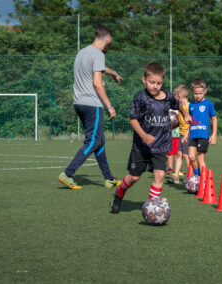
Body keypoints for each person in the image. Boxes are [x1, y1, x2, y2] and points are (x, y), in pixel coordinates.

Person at [111, 62, 191, 213]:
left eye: (159, 83)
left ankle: (151, 207)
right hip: (141, 146)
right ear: (144, 80)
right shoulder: (140, 98)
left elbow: (178, 104)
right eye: (151, 82)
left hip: (161, 145)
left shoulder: (168, 97)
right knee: (134, 178)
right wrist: (143, 135)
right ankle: (120, 192)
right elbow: (133, 119)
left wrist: (185, 114)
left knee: (160, 175)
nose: (155, 86)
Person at [58, 26, 123, 190]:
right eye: (110, 43)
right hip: (92, 104)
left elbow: (100, 68)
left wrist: (113, 73)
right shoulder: (98, 54)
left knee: (99, 141)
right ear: (107, 40)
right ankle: (68, 173)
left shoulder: (83, 52)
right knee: (93, 140)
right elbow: (96, 82)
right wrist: (109, 106)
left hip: (79, 103)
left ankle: (108, 178)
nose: (110, 46)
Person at [188, 78, 217, 177]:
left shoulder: (208, 104)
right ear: (193, 92)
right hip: (193, 135)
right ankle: (198, 176)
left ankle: (204, 181)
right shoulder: (191, 105)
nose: (198, 96)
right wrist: (186, 135)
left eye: (200, 93)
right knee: (191, 157)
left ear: (205, 92)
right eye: (196, 93)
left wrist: (214, 135)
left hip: (203, 135)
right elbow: (190, 121)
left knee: (200, 159)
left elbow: (214, 119)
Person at [167, 85, 191, 184]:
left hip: (188, 135)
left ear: (180, 96)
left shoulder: (189, 106)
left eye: (175, 97)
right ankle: (176, 176)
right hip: (181, 134)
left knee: (186, 156)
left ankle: (192, 176)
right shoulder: (179, 108)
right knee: (179, 155)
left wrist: (186, 135)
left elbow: (191, 122)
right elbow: (178, 122)